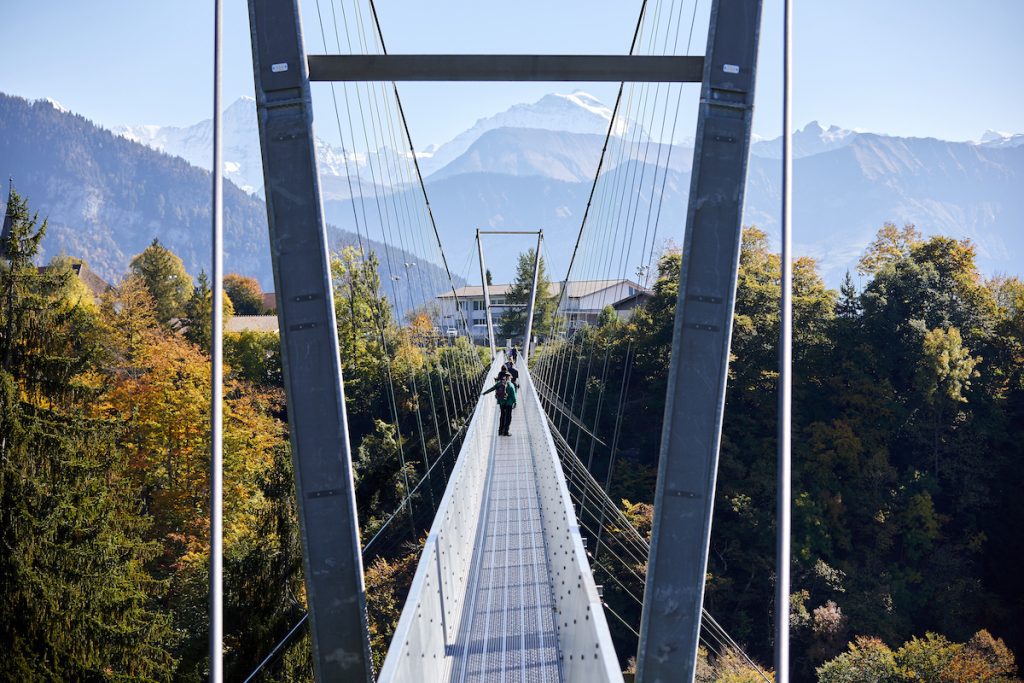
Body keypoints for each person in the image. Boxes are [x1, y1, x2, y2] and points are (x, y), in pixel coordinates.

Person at [482, 369, 517, 436]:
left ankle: (500, 431)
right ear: (509, 377)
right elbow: (513, 395)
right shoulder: (511, 385)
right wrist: (515, 402)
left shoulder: (499, 383)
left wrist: (484, 393)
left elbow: (492, 388)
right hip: (509, 404)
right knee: (508, 417)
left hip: (502, 403)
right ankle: (506, 432)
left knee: (502, 416)